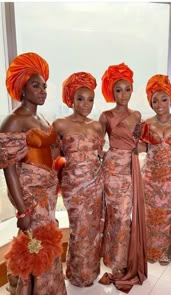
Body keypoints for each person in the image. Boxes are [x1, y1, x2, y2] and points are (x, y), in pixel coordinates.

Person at [0, 52, 67, 294]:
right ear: (22, 88)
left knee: (43, 242)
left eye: (45, 86)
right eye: (36, 85)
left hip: (47, 194)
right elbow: (9, 170)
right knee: (38, 244)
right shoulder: (13, 121)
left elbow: (51, 150)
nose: (43, 90)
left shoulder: (40, 117)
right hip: (32, 196)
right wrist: (22, 210)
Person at [98, 62, 147, 293]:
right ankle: (116, 263)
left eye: (127, 89)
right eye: (118, 90)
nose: (123, 94)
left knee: (125, 216)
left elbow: (139, 141)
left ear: (132, 90)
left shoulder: (137, 114)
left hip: (132, 167)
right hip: (112, 168)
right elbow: (97, 145)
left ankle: (123, 260)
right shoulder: (105, 115)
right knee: (116, 215)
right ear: (111, 91)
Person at [52, 72, 104, 287]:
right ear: (70, 99)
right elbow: (52, 156)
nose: (86, 104)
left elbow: (100, 155)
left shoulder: (97, 126)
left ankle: (89, 273)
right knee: (79, 228)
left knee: (93, 229)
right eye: (80, 99)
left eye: (90, 99)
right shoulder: (60, 124)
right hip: (73, 184)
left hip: (96, 182)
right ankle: (76, 274)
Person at [140, 74, 171, 266]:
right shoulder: (145, 124)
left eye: (164, 99)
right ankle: (151, 250)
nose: (159, 103)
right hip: (150, 177)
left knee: (169, 216)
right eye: (155, 100)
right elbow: (140, 148)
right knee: (151, 215)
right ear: (150, 103)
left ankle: (166, 252)